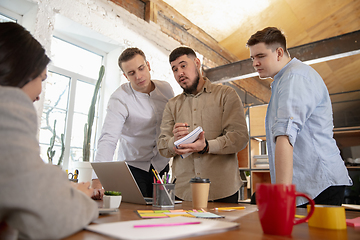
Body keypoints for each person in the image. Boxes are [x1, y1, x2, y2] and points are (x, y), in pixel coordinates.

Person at [0, 22, 98, 239]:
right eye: (41, 79)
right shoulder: (7, 109)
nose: (39, 93)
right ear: (22, 71)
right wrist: (78, 196)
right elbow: (52, 217)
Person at [246, 27, 352, 206]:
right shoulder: (284, 79)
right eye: (252, 58)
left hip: (320, 185)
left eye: (260, 56)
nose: (255, 63)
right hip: (309, 185)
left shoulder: (294, 77)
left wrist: (281, 196)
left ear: (279, 52)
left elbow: (285, 135)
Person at [157, 46, 249, 203]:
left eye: (183, 65)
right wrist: (175, 141)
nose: (179, 73)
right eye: (174, 69)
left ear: (197, 63)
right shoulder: (172, 105)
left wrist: (207, 146)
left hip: (222, 191)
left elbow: (239, 137)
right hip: (183, 193)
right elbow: (162, 146)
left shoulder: (226, 95)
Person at [92, 47, 174, 199]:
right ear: (125, 76)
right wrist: (97, 182)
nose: (138, 76)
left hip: (161, 166)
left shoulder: (166, 89)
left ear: (148, 65)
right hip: (133, 168)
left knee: (162, 215)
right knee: (134, 214)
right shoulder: (119, 99)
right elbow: (108, 139)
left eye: (141, 68)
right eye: (131, 73)